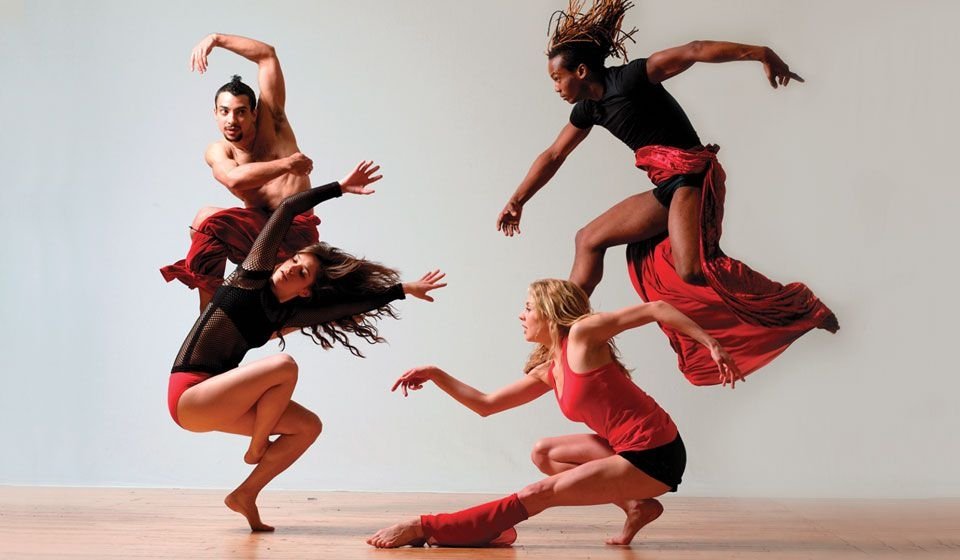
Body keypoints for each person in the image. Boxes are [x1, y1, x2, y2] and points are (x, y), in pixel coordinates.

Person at [495, 0, 837, 385]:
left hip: (692, 177)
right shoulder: (589, 110)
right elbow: (555, 154)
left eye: (557, 79)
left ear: (581, 70)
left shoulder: (632, 78)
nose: (555, 88)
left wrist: (760, 52)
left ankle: (796, 305)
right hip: (667, 187)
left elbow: (692, 50)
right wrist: (517, 200)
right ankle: (560, 332)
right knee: (588, 239)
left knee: (691, 269)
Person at [169, 161, 447, 532]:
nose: (290, 267)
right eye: (295, 260)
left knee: (307, 427)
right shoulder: (250, 277)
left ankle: (245, 494)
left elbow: (347, 306)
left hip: (216, 399)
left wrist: (402, 290)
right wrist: (340, 187)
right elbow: (286, 210)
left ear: (305, 291)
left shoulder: (288, 315)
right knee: (284, 364)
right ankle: (256, 448)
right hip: (189, 393)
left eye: (302, 273)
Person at [367, 278, 741, 548]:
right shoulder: (551, 368)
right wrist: (435, 374)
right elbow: (486, 405)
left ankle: (427, 526)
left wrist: (712, 345)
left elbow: (656, 309)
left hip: (655, 456)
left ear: (549, 311)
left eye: (528, 307)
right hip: (626, 450)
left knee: (540, 492)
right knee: (543, 452)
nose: (521, 315)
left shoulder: (583, 335)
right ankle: (636, 507)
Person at [161, 33, 324, 311]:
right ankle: (208, 312)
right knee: (204, 219)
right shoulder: (218, 151)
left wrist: (216, 39)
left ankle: (215, 310)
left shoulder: (273, 122)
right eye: (224, 112)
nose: (231, 120)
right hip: (258, 237)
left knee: (211, 221)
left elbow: (267, 56)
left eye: (240, 112)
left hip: (294, 233)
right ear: (215, 113)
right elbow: (234, 177)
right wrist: (287, 164)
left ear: (254, 113)